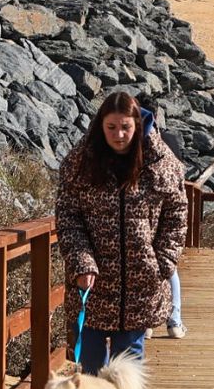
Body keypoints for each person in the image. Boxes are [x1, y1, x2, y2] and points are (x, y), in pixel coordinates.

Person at [56, 90, 188, 372]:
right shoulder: (80, 163)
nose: (119, 135)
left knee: (126, 372)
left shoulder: (161, 163)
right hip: (93, 285)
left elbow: (177, 213)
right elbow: (68, 216)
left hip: (141, 284)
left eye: (126, 127)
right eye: (111, 127)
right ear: (100, 125)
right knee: (90, 367)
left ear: (137, 125)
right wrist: (82, 262)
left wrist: (162, 261)